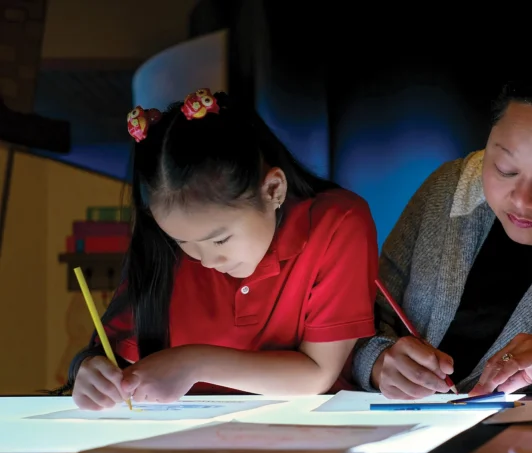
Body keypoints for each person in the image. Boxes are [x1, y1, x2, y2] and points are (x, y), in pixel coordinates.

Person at [63, 89, 378, 410]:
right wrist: (89, 369)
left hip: (307, 430)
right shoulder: (161, 249)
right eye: (182, 242)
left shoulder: (337, 223)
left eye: (220, 239)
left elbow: (317, 374)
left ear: (273, 190)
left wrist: (192, 363)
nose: (207, 260)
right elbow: (113, 354)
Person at [352, 73, 532, 399]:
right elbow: (360, 320)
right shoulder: (449, 189)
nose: (521, 199)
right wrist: (378, 361)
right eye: (505, 169)